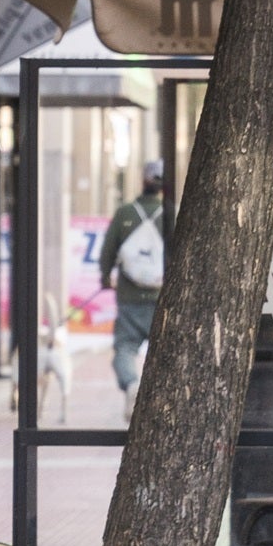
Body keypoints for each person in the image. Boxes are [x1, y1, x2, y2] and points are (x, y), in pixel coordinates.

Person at [98, 160, 165, 423]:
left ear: (143, 181)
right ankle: (158, 403)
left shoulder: (125, 213)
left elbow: (107, 252)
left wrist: (105, 278)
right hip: (161, 298)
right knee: (164, 351)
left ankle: (131, 384)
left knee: (125, 348)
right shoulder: (170, 212)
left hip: (128, 297)